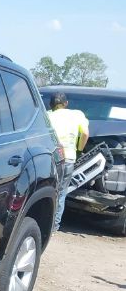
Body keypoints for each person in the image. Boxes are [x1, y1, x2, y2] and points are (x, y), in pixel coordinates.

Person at [47, 92, 89, 230]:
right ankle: (54, 226)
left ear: (51, 104)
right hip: (68, 158)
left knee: (46, 190)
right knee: (61, 192)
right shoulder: (77, 115)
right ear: (66, 103)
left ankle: (42, 221)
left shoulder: (46, 115)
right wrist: (79, 149)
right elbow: (85, 134)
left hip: (50, 157)